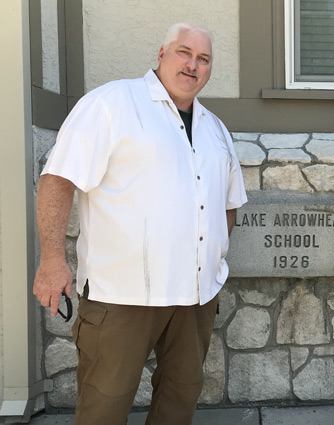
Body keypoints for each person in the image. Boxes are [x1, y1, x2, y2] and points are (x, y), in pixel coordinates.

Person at [32, 22, 247, 425]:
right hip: (121, 296)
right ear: (161, 54)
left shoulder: (215, 128)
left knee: (178, 402)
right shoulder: (112, 104)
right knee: (104, 407)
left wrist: (206, 251)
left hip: (195, 298)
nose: (193, 65)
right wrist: (51, 261)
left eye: (204, 59)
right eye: (184, 52)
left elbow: (228, 205)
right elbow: (58, 180)